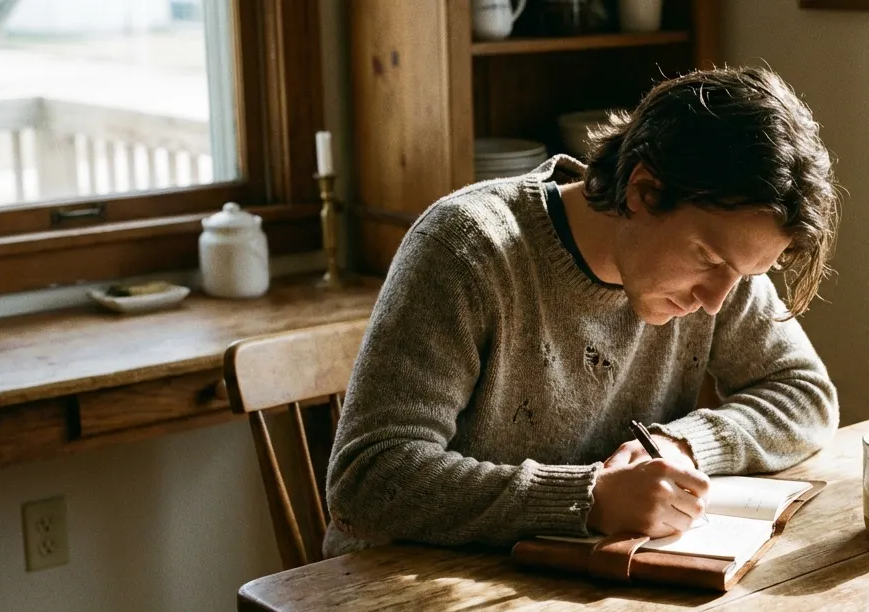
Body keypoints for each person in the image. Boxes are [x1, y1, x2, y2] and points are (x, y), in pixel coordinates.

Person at [323, 65, 841, 557]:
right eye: (707, 259)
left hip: (577, 587)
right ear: (642, 190)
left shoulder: (723, 258)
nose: (714, 301)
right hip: (403, 595)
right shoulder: (468, 248)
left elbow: (806, 395)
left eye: (745, 275)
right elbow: (367, 479)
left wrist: (681, 445)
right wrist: (587, 499)